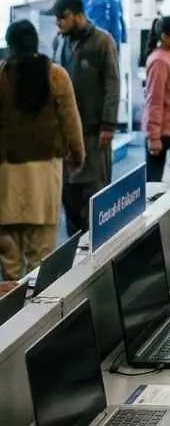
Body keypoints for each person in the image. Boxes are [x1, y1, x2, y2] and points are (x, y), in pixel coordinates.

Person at [0, 21, 85, 281]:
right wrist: (78, 154)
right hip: (45, 171)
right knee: (42, 252)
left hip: (6, 172)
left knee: (9, 254)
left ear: (9, 45)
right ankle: (39, 309)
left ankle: (11, 311)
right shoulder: (55, 74)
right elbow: (71, 120)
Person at [47, 0, 121, 236]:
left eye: (63, 18)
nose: (58, 23)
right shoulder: (60, 42)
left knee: (96, 197)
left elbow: (112, 85)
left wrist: (108, 125)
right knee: (69, 197)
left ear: (79, 16)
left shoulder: (103, 41)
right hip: (67, 137)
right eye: (56, 18)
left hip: (94, 133)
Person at [143, 15, 170, 184]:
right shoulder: (159, 61)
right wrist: (153, 137)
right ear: (164, 36)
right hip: (160, 133)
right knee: (154, 183)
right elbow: (154, 101)